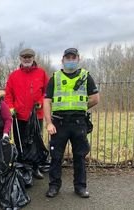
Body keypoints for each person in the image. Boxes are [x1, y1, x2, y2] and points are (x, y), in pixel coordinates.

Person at [44, 48, 99, 198]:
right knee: (56, 156)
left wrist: (79, 107)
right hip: (58, 123)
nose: (70, 60)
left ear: (78, 59)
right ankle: (54, 186)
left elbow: (95, 98)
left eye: (73, 57)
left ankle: (80, 187)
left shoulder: (86, 76)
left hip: (78, 122)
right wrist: (49, 123)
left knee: (79, 156)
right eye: (67, 58)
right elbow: (47, 102)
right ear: (62, 60)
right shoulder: (55, 78)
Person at [4, 48, 49, 179]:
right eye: (24, 57)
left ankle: (35, 167)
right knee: (20, 142)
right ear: (20, 59)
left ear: (33, 58)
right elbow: (8, 95)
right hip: (19, 116)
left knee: (35, 142)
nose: (27, 59)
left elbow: (47, 92)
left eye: (29, 57)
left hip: (36, 116)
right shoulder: (13, 75)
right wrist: (11, 107)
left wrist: (40, 101)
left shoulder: (41, 73)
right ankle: (23, 167)